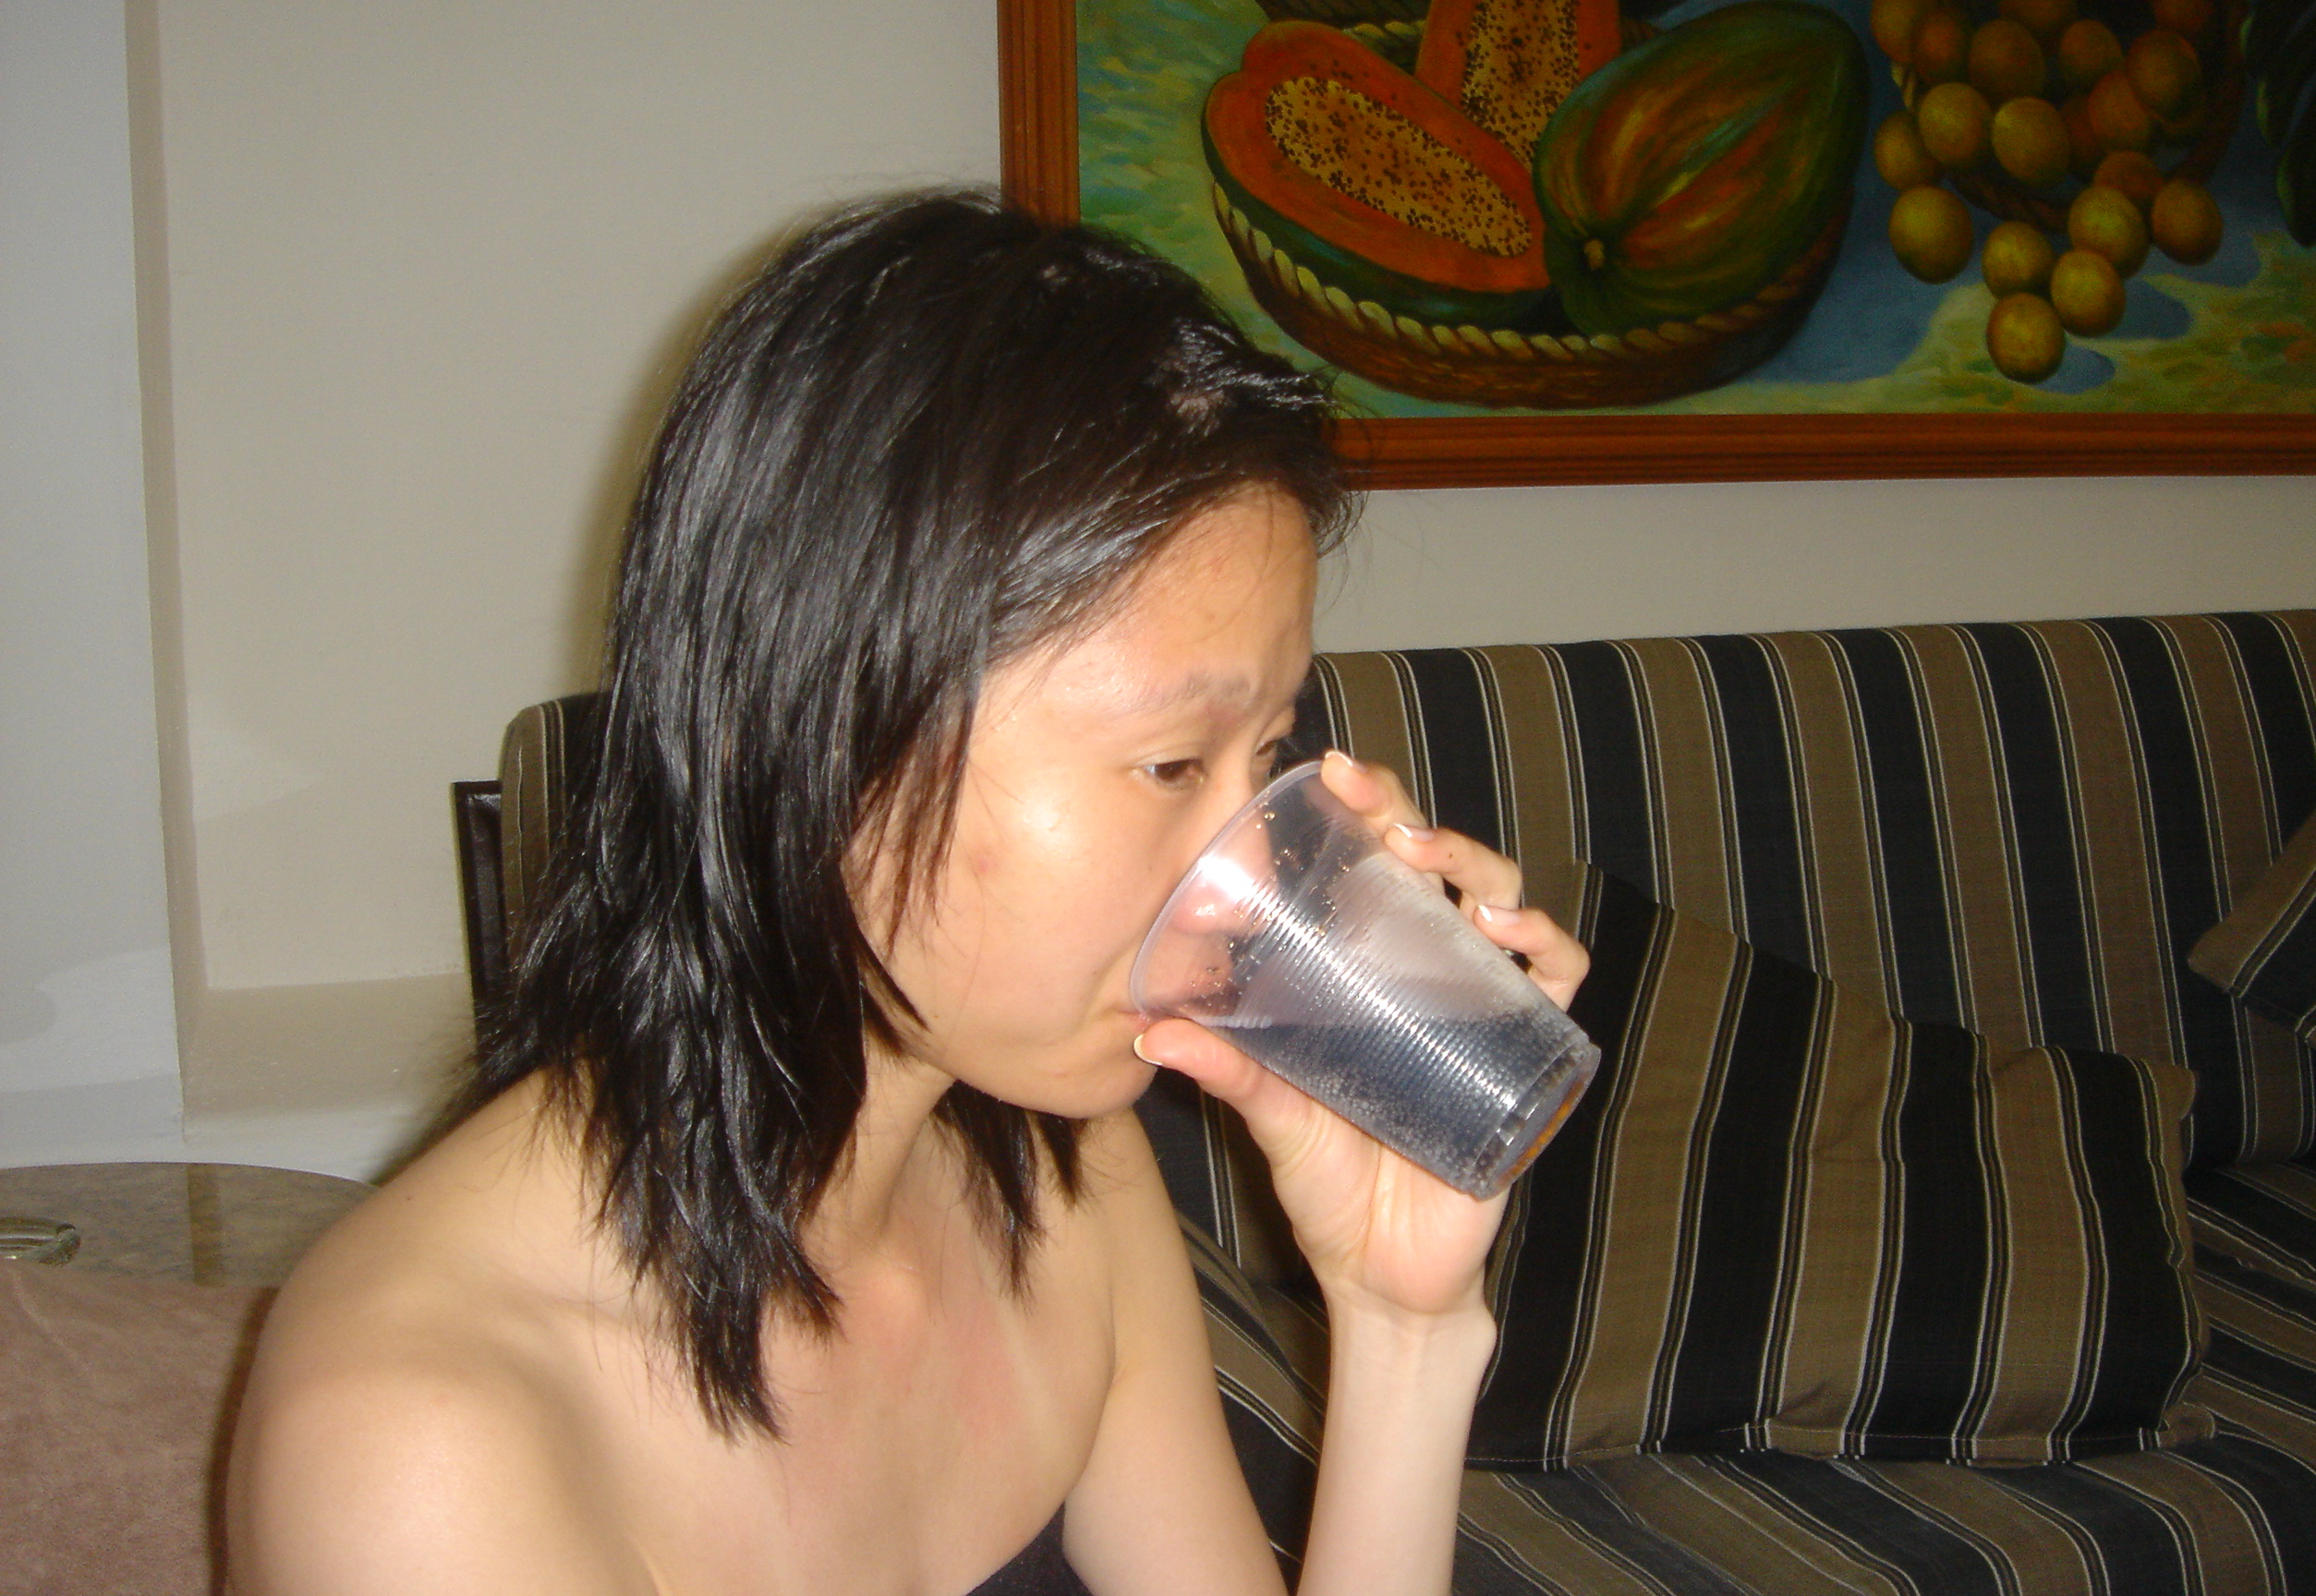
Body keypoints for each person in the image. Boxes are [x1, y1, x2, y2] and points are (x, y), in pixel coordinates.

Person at [227, 189, 1589, 1596]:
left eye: (1270, 753)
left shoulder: (1056, 1177)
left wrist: (1401, 1327)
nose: (1255, 873)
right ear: (814, 735)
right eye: (1172, 761)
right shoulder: (424, 1443)